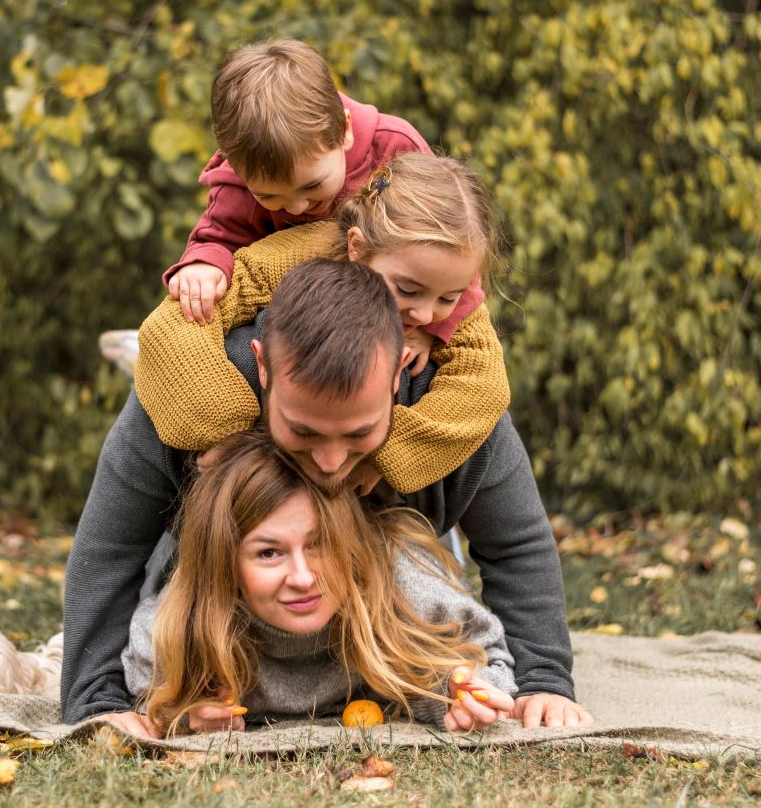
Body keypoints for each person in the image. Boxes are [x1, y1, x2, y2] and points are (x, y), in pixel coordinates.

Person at [62, 259, 593, 735]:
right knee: (179, 580)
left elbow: (516, 543)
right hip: (220, 543)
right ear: (263, 371)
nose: (332, 462)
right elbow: (109, 549)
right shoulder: (190, 393)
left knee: (420, 592)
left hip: (400, 530)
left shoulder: (452, 407)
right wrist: (98, 700)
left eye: (359, 435)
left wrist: (543, 679)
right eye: (305, 432)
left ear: (395, 377)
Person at [140, 151, 509, 495]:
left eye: (448, 298)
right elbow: (172, 325)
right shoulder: (305, 253)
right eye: (408, 290)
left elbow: (486, 386)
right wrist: (227, 430)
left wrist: (389, 454)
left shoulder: (460, 314)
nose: (426, 316)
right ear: (356, 249)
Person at [118, 430, 516, 737]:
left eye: (320, 543)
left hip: (396, 541)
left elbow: (489, 658)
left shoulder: (408, 586)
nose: (303, 578)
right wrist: (186, 714)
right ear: (228, 565)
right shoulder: (177, 626)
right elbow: (145, 689)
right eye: (268, 553)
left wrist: (461, 691)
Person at [164, 39, 474, 331]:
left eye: (312, 185)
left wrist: (434, 331)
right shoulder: (237, 185)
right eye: (268, 195)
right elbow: (217, 236)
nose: (297, 206)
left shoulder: (394, 148)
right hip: (300, 318)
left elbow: (458, 237)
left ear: (344, 131)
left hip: (398, 309)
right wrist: (203, 265)